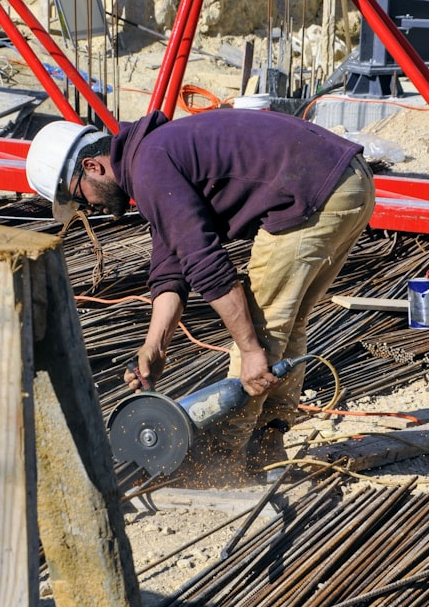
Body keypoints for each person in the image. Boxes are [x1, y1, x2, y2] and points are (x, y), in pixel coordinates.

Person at [26, 108, 375, 482]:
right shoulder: (153, 157)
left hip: (314, 191)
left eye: (79, 197)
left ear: (93, 167)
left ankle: (222, 459)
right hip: (349, 181)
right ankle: (266, 444)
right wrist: (154, 347)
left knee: (258, 333)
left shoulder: (149, 167)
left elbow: (204, 264)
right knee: (287, 325)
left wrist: (253, 350)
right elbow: (170, 268)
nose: (87, 207)